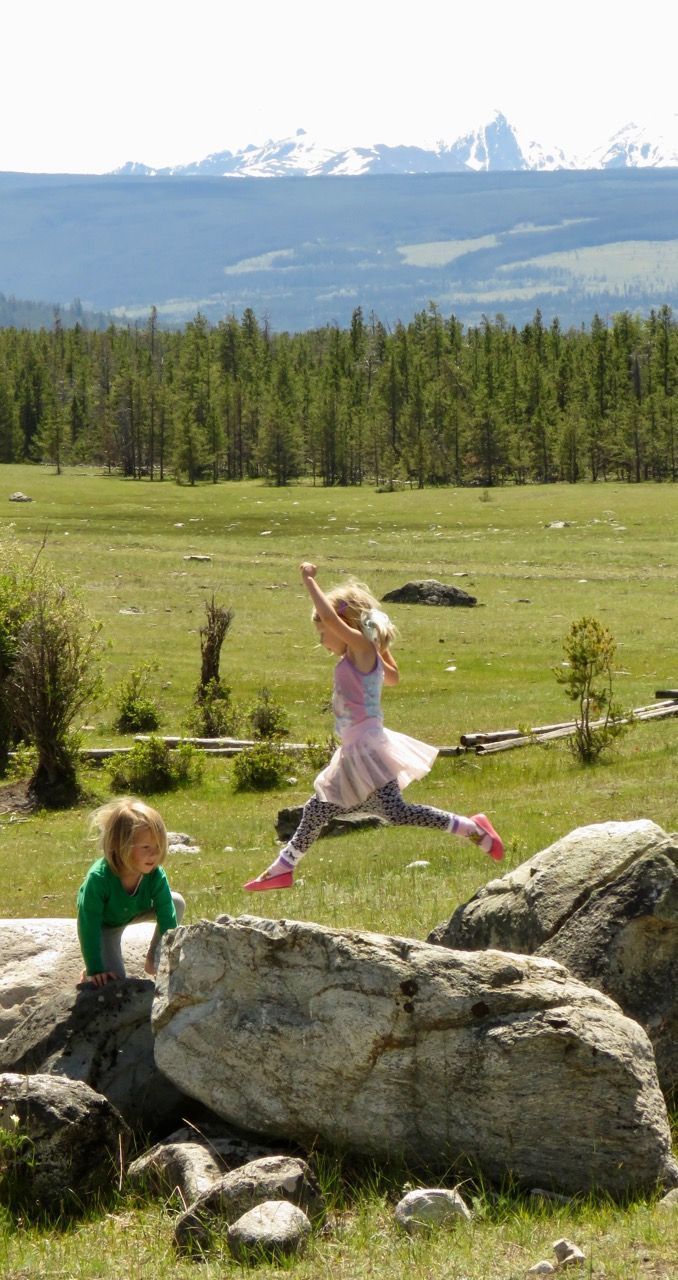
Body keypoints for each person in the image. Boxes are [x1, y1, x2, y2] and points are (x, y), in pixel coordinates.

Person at [245, 562, 503, 891]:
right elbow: (393, 677)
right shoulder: (367, 655)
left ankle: (472, 829)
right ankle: (283, 868)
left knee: (391, 812)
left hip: (367, 748)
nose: (323, 639)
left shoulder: (363, 650)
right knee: (318, 809)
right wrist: (381, 647)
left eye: (323, 633)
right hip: (356, 747)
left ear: (345, 626)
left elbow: (331, 620)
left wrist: (309, 581)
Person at [77, 796, 185, 986]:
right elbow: (88, 926)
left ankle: (154, 960)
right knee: (115, 980)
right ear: (121, 846)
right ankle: (88, 974)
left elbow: (167, 916)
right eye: (146, 847)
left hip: (134, 911)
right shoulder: (99, 878)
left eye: (158, 846)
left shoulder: (155, 874)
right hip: (105, 925)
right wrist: (95, 968)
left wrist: (167, 957)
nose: (154, 854)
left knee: (176, 902)